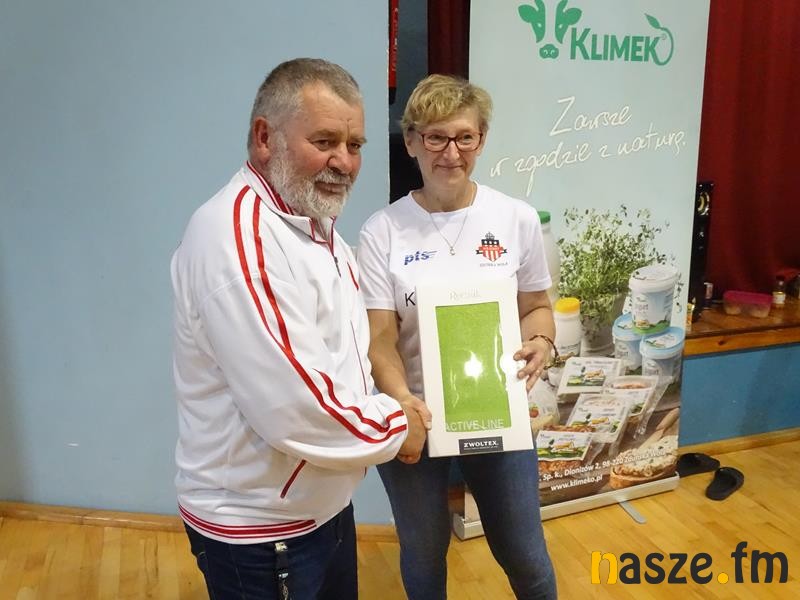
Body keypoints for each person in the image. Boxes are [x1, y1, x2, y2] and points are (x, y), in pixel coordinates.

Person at [171, 58, 430, 600]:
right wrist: (398, 425)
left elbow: (340, 353)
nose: (344, 162)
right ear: (265, 138)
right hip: (262, 532)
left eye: (355, 145)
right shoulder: (239, 240)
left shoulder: (311, 223)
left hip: (320, 509)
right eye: (325, 141)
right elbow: (295, 406)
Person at [357, 74, 558, 599]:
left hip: (497, 411)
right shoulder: (382, 231)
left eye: (465, 137)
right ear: (411, 142)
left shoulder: (515, 219)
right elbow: (379, 338)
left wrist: (542, 342)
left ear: (481, 139)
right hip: (416, 417)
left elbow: (536, 307)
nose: (451, 152)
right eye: (436, 137)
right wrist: (403, 402)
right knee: (424, 555)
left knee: (525, 554)